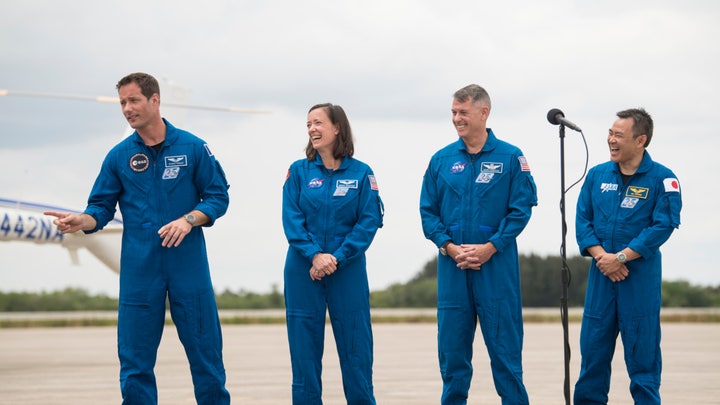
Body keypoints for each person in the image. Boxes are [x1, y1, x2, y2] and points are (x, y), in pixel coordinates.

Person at [45, 72, 231, 404]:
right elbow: (100, 208)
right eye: (122, 103)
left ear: (154, 100)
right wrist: (81, 220)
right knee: (134, 363)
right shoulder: (118, 157)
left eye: (133, 100)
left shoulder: (193, 147)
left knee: (207, 358)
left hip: (188, 267)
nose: (127, 109)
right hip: (140, 270)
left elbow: (217, 197)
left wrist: (188, 220)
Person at [420, 84, 537, 404]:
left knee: (506, 358)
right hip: (453, 268)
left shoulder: (511, 157)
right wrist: (448, 246)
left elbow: (521, 209)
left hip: (496, 269)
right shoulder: (440, 160)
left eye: (463, 113)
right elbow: (427, 213)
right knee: (453, 359)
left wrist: (491, 247)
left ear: (483, 113)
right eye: (454, 113)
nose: (457, 119)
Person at [573, 108, 682, 404]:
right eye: (610, 133)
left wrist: (620, 258)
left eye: (618, 135)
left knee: (643, 364)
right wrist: (603, 259)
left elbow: (663, 225)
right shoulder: (596, 176)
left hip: (639, 282)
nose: (610, 140)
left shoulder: (663, 179)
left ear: (641, 140)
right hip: (600, 280)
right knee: (592, 359)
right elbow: (583, 222)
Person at [281, 103, 384, 404]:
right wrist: (314, 255)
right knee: (304, 358)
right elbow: (292, 219)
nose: (312, 129)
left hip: (347, 270)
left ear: (337, 127)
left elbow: (368, 221)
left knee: (357, 353)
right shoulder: (298, 172)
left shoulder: (362, 173)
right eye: (308, 124)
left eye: (318, 123)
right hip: (303, 270)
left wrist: (336, 258)